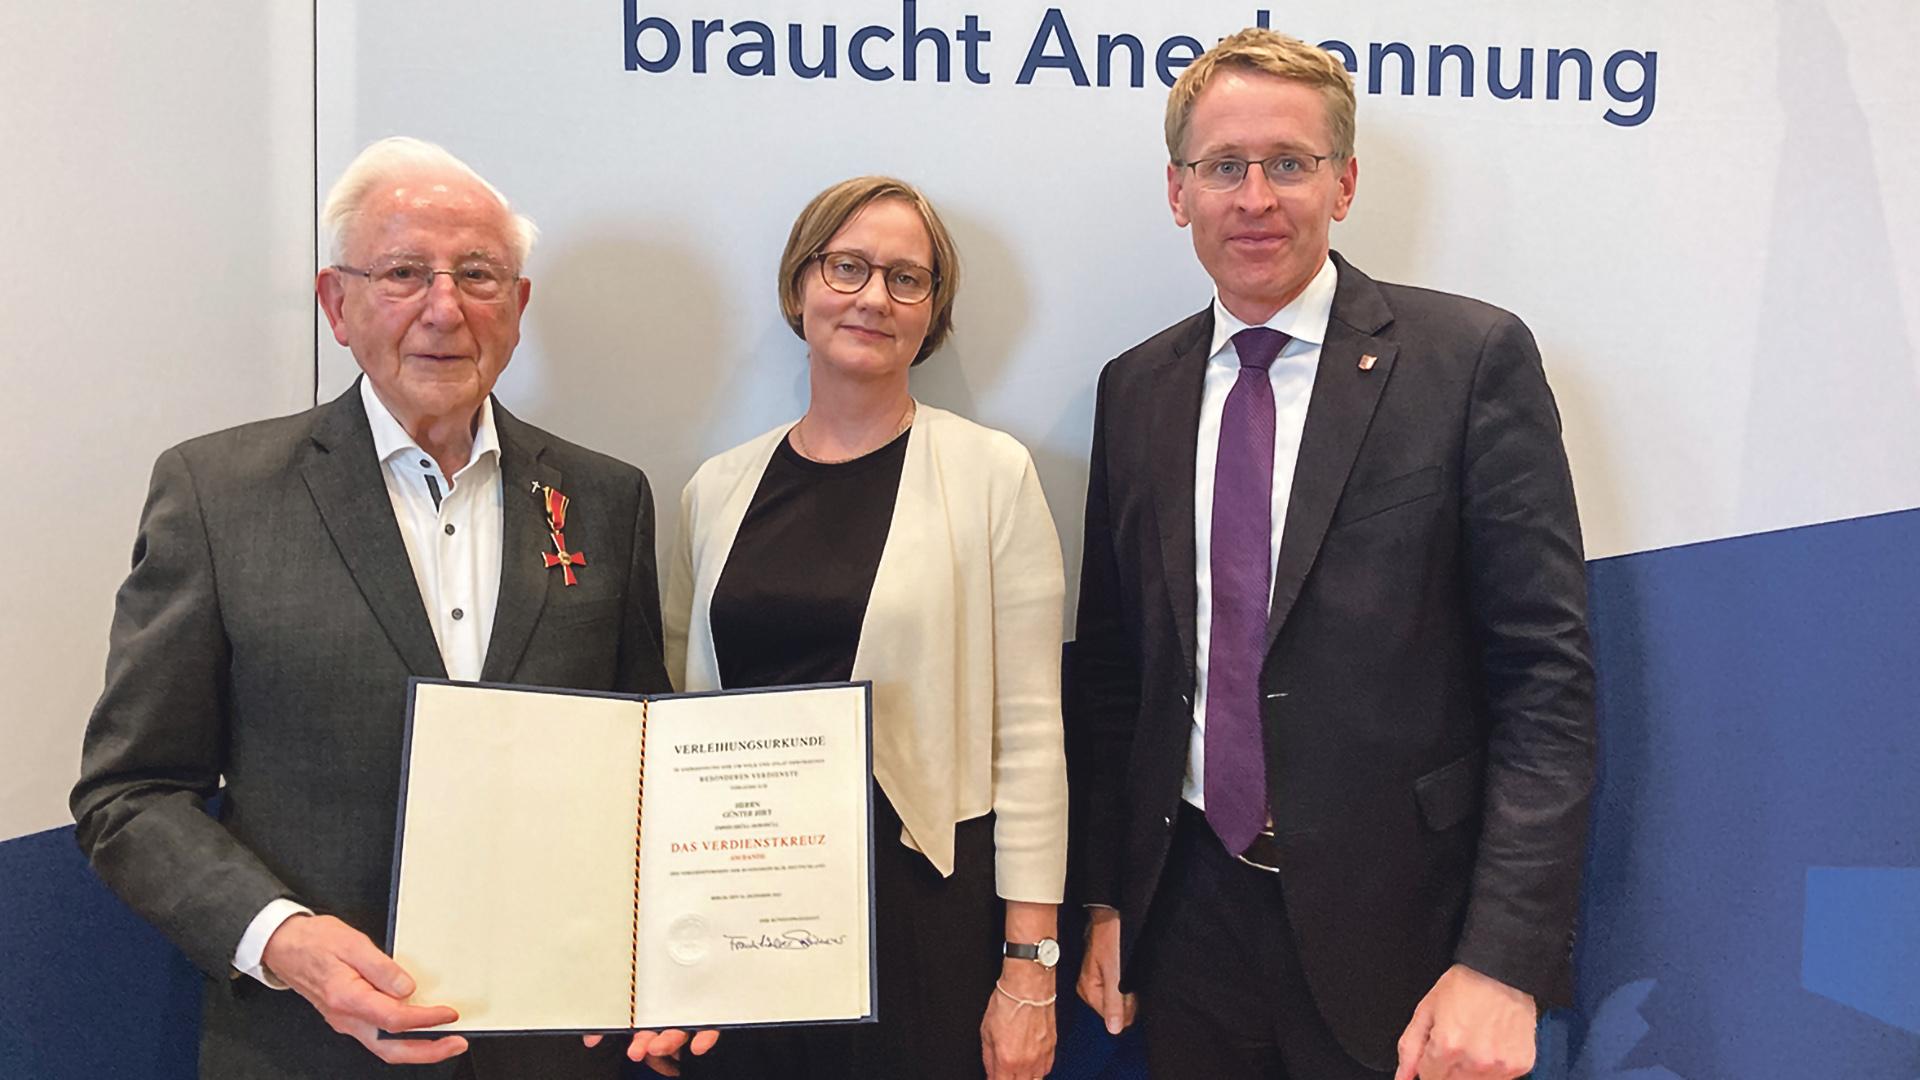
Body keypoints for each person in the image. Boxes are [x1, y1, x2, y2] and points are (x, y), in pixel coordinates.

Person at [70, 136, 668, 1079]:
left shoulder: (607, 498)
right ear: (335, 305)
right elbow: (131, 796)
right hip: (311, 1045)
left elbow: (647, 770)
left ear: (516, 309)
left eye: (477, 274)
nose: (444, 308)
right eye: (402, 273)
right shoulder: (216, 495)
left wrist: (683, 965)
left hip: (565, 1047)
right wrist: (285, 942)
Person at [1069, 28, 1597, 1080]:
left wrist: (1503, 962)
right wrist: (1109, 893)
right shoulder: (1136, 389)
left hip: (1404, 939)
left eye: (1289, 164)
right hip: (1189, 926)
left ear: (1344, 182)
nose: (1255, 197)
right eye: (1224, 167)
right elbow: (1119, 673)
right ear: (1178, 193)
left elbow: (1545, 684)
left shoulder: (1468, 361)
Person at [649, 176, 1068, 1080]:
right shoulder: (714, 491)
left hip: (922, 906)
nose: (874, 296)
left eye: (907, 279)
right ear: (800, 286)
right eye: (848, 267)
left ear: (933, 313)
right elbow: (677, 721)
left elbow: (1031, 737)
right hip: (741, 916)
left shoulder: (992, 476)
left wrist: (1029, 972)